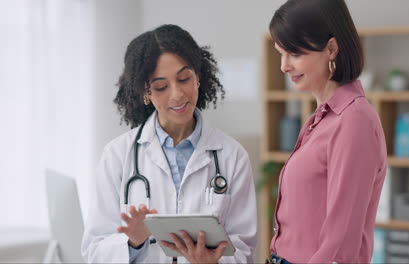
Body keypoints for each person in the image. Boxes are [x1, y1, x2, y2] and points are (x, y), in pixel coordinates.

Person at [81, 24, 257, 264]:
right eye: (161, 86)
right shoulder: (117, 156)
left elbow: (244, 250)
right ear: (146, 92)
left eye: (184, 78)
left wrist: (211, 262)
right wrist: (133, 242)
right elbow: (94, 251)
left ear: (198, 77)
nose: (177, 95)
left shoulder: (232, 156)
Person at [267, 0, 387, 263]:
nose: (284, 66)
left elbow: (341, 240)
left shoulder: (354, 120)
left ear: (331, 48)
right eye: (280, 53)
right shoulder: (321, 118)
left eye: (294, 54)